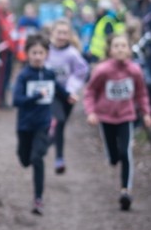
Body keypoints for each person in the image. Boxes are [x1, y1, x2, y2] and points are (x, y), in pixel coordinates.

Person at [83, 32, 151, 211]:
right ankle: (112, 158)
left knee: (125, 152)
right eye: (116, 46)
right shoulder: (103, 70)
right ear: (110, 50)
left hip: (126, 117)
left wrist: (146, 113)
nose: (120, 49)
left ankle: (125, 191)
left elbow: (141, 93)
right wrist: (91, 112)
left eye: (124, 46)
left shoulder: (135, 70)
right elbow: (90, 91)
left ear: (129, 50)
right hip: (105, 117)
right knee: (114, 156)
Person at [12, 32, 72, 216]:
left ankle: (38, 199)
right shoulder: (24, 76)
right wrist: (37, 96)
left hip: (43, 123)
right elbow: (17, 100)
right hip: (24, 125)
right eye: (34, 53)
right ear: (27, 54)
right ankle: (30, 151)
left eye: (41, 53)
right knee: (25, 159)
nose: (37, 56)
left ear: (46, 55)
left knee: (37, 158)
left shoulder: (49, 74)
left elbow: (59, 90)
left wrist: (69, 96)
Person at [46, 18, 89, 174]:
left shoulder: (73, 54)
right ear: (52, 33)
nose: (62, 36)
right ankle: (57, 157)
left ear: (70, 35)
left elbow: (81, 72)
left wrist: (71, 89)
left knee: (60, 127)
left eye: (65, 33)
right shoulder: (46, 51)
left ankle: (49, 148)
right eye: (59, 32)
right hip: (51, 94)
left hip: (68, 95)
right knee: (59, 120)